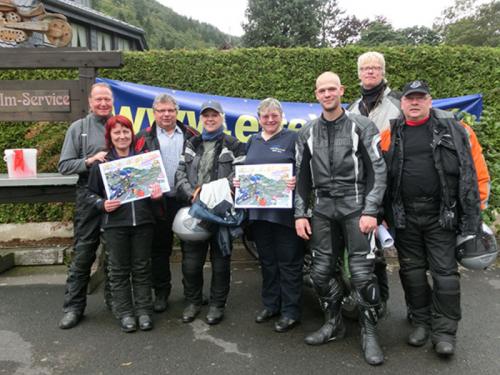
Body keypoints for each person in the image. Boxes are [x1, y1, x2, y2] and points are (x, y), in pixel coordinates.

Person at [380, 80, 481, 357]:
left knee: (445, 275)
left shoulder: (454, 131)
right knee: (412, 273)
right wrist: (382, 214)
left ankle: (445, 332)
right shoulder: (392, 134)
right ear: (402, 104)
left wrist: (472, 216)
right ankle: (421, 323)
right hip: (405, 217)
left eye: (420, 98)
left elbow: (471, 174)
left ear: (430, 101)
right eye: (410, 98)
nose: (414, 102)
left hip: (442, 217)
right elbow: (380, 177)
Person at [295, 72, 387, 365]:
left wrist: (371, 210)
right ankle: (333, 324)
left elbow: (378, 171)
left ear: (341, 91)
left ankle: (370, 332)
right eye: (321, 90)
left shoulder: (362, 125)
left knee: (361, 275)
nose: (327, 94)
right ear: (316, 94)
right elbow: (301, 179)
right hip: (322, 208)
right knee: (319, 273)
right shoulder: (306, 131)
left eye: (331, 89)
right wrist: (300, 214)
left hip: (356, 206)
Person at [86, 115, 162, 332]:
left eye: (126, 131)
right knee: (118, 271)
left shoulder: (144, 161)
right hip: (115, 225)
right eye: (117, 132)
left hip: (143, 222)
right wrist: (102, 204)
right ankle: (125, 312)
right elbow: (88, 194)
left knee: (142, 268)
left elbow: (156, 191)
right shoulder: (102, 164)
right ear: (110, 136)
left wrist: (157, 196)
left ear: (132, 134)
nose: (122, 136)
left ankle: (144, 311)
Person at [234, 98, 303, 332]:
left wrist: (297, 179)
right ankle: (271, 304)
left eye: (274, 115)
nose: (270, 119)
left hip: (284, 215)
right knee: (267, 261)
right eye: (265, 116)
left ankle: (290, 310)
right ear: (258, 118)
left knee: (289, 262)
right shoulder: (251, 140)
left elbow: (305, 170)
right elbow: (245, 171)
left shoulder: (294, 139)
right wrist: (238, 181)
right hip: (259, 214)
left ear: (282, 116)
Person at [175, 100, 245, 325]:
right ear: (201, 119)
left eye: (214, 115)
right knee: (191, 263)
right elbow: (180, 173)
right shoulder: (191, 143)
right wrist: (192, 193)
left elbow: (240, 176)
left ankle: (216, 305)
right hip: (195, 210)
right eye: (206, 115)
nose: (210, 119)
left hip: (221, 212)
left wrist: (211, 194)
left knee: (221, 262)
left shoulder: (235, 144)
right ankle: (194, 302)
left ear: (222, 117)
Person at [348, 51, 401, 314]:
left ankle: (389, 301)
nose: (370, 72)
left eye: (375, 68)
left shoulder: (398, 104)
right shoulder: (352, 108)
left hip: (392, 186)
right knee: (369, 246)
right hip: (362, 187)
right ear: (358, 73)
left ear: (383, 72)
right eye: (365, 68)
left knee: (397, 248)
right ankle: (375, 301)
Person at [135, 94, 198, 313]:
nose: (166, 114)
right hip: (157, 203)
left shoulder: (192, 135)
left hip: (186, 200)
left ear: (177, 111)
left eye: (170, 110)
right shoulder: (142, 138)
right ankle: (161, 293)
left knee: (192, 249)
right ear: (154, 113)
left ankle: (192, 296)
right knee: (160, 251)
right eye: (161, 111)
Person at [57, 82, 113, 329]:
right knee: (83, 254)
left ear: (113, 102)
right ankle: (73, 307)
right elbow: (64, 165)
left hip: (115, 197)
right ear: (90, 102)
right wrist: (90, 161)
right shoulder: (77, 128)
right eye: (99, 99)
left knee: (115, 254)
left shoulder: (120, 126)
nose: (103, 103)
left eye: (107, 99)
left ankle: (116, 303)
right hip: (87, 197)